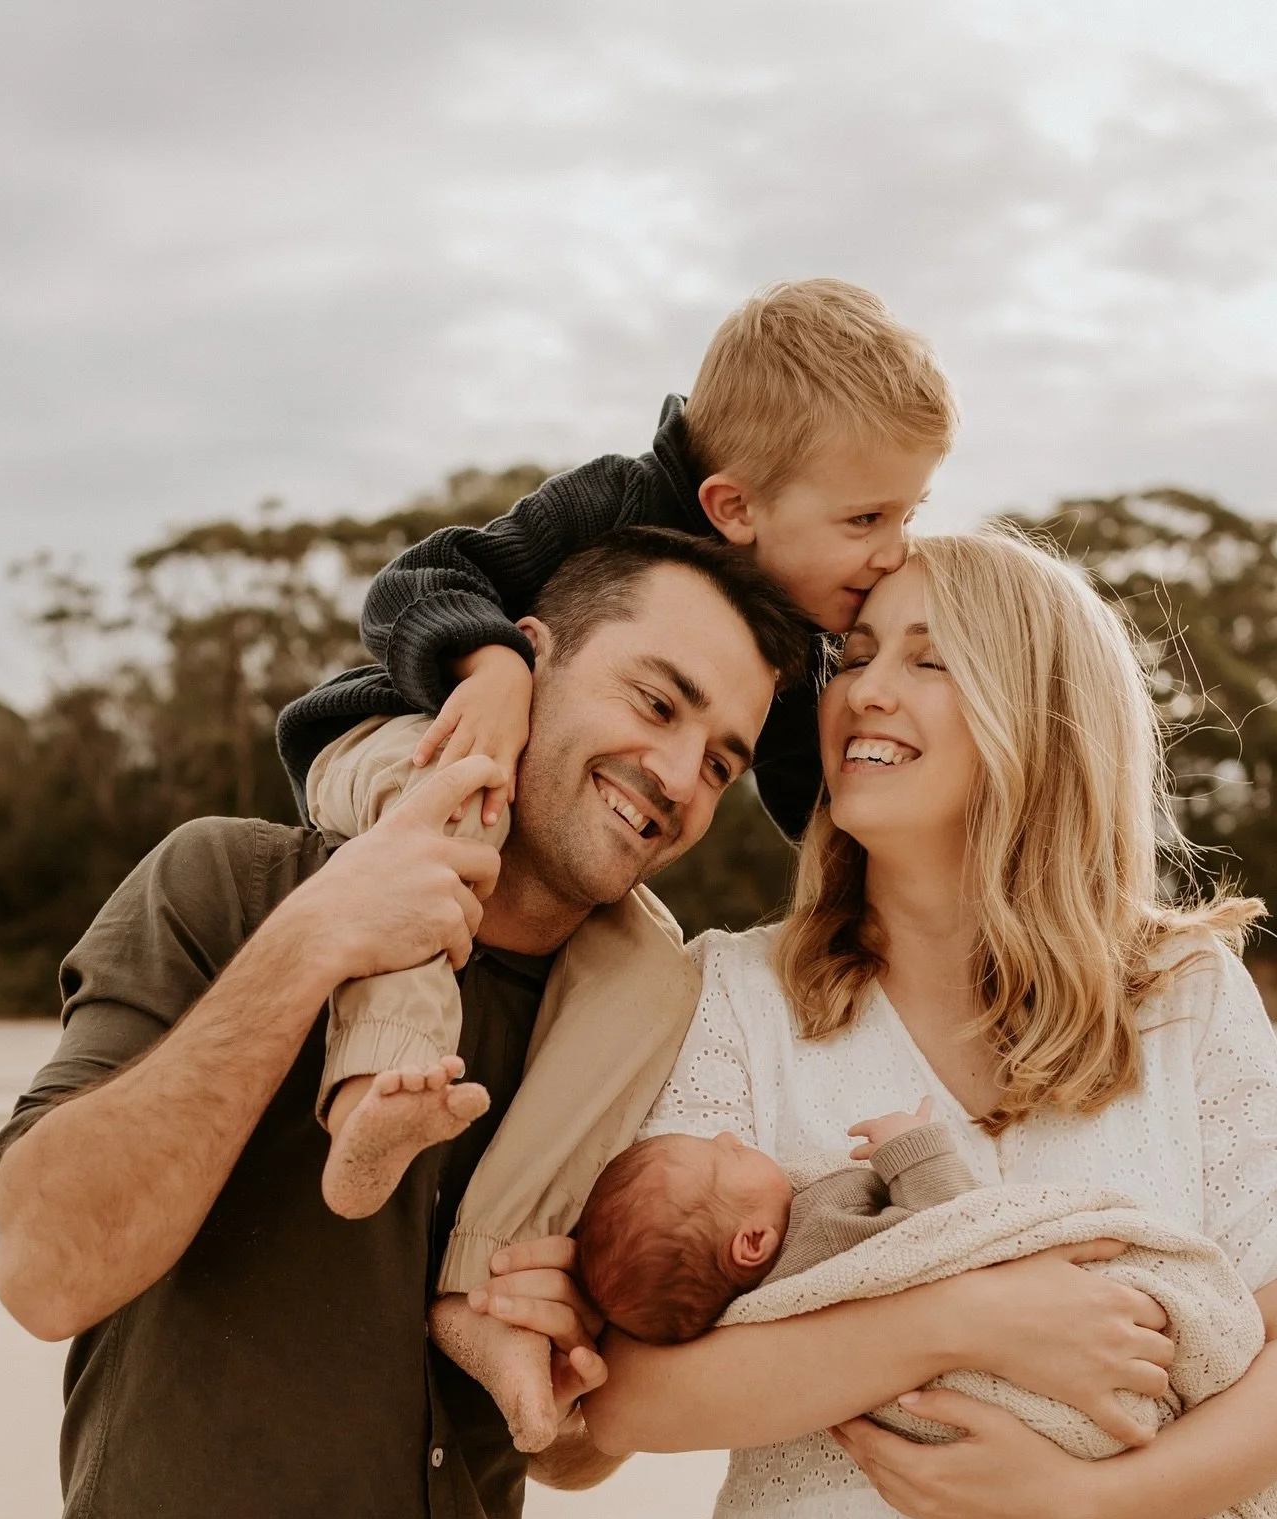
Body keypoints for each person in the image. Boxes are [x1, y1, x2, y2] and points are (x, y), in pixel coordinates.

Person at [0, 530, 804, 1519]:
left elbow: (572, 1452)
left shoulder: (649, 1027)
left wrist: (578, 1352)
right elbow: (44, 1272)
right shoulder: (226, 884)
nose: (681, 778)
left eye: (724, 759)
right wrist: (310, 944)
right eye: (656, 701)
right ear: (527, 664)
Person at [572, 531, 1277, 1519]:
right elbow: (627, 1397)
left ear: (1042, 719)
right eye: (859, 654)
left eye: (932, 660)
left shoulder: (1185, 1001)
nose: (865, 690)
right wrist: (965, 1316)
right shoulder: (736, 996)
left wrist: (1080, 1502)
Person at [273, 279, 956, 1238]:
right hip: (411, 741)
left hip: (536, 827)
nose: (894, 551)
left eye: (907, 515)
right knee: (448, 822)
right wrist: (496, 666)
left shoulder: (796, 645)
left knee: (651, 974)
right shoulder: (618, 500)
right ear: (733, 505)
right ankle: (373, 1087)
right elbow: (417, 578)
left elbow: (816, 800)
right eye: (865, 521)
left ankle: (492, 1271)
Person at [576, 1099, 971, 1342]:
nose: (728, 1137)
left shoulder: (794, 1250)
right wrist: (914, 1148)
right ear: (752, 1242)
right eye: (727, 1157)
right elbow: (944, 1236)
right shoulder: (827, 1232)